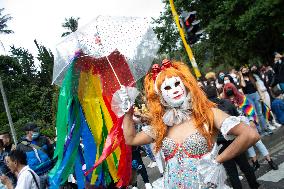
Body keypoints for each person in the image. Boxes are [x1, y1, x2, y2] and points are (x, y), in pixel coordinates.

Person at [120, 60, 259, 188]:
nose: (174, 90)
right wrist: (127, 112)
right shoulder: (163, 124)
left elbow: (250, 135)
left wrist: (217, 160)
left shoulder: (206, 114)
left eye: (176, 84)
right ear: (160, 95)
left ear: (186, 85)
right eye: (167, 88)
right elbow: (131, 139)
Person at [204, 85, 260, 189]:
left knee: (232, 173)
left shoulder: (206, 111)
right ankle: (254, 185)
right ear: (216, 92)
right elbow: (237, 118)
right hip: (236, 140)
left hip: (220, 145)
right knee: (245, 167)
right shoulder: (227, 103)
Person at [223, 83, 278, 171]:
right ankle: (255, 162)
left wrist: (252, 121)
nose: (229, 91)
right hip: (238, 126)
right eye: (227, 89)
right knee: (247, 145)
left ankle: (269, 160)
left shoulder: (241, 97)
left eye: (230, 88)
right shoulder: (225, 102)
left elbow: (250, 110)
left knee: (258, 142)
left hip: (247, 122)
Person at [16, 123, 54, 189]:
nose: (37, 132)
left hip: (50, 172)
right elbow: (21, 164)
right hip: (36, 176)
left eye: (37, 130)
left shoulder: (44, 139)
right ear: (27, 132)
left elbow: (52, 153)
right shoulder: (20, 146)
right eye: (34, 131)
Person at [239, 66, 272, 135]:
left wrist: (261, 95)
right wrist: (241, 76)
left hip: (255, 94)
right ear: (241, 72)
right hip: (248, 97)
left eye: (246, 70)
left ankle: (265, 128)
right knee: (254, 115)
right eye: (243, 71)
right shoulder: (241, 80)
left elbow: (257, 86)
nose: (245, 72)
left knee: (260, 113)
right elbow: (244, 85)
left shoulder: (252, 77)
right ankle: (259, 131)